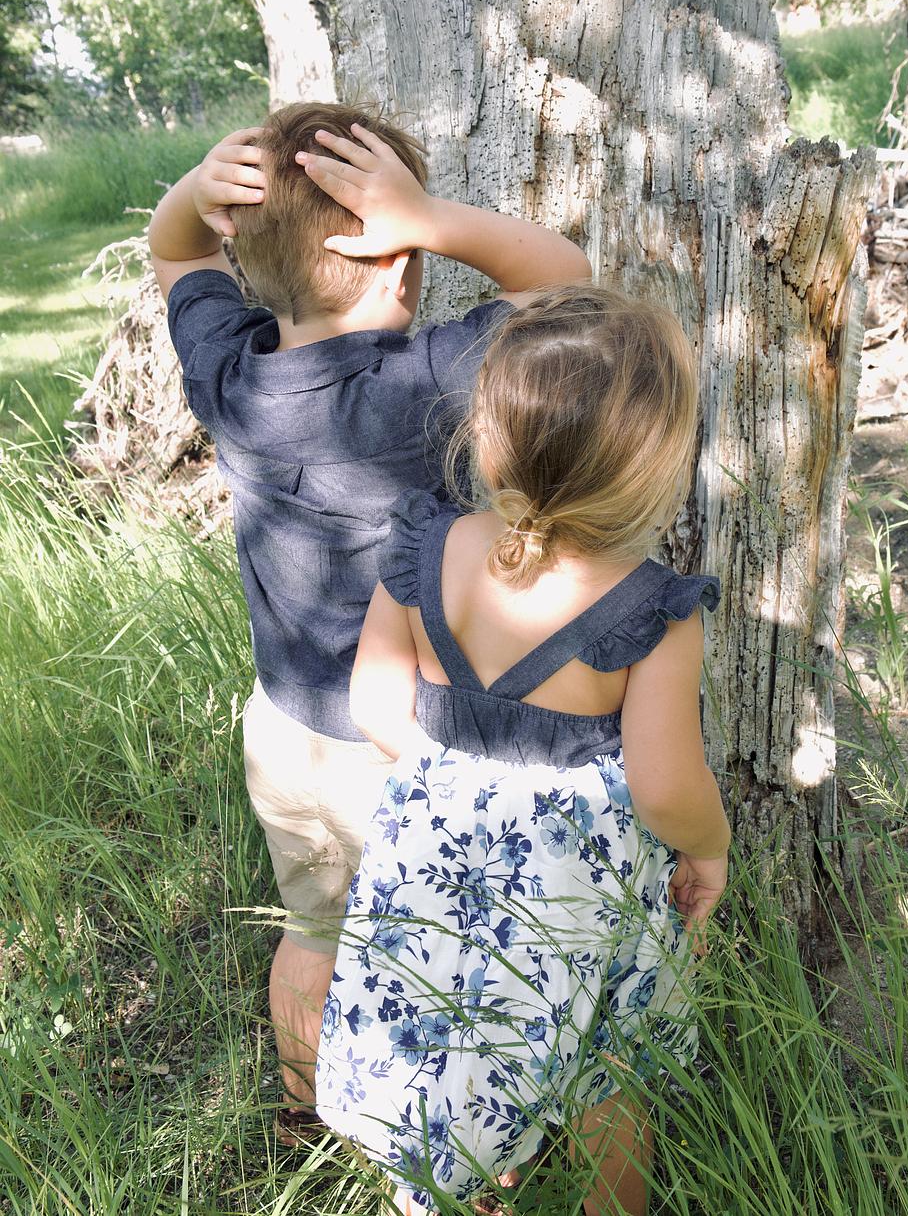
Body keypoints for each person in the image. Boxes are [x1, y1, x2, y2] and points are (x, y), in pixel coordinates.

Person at [147, 104, 591, 1136]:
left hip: (284, 735)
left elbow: (174, 256)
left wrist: (193, 198)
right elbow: (563, 281)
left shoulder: (232, 379)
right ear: (401, 265)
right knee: (440, 957)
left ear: (246, 256)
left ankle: (303, 1109)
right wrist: (432, 217)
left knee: (313, 932)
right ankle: (453, 1148)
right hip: (403, 748)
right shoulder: (425, 384)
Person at [315, 286, 731, 1214]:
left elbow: (375, 701)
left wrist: (456, 783)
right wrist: (710, 850)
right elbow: (665, 785)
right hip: (577, 898)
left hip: (434, 868)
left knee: (444, 1049)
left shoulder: (428, 548)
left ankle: (463, 1183)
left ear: (488, 434)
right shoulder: (651, 610)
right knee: (604, 1068)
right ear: (650, 465)